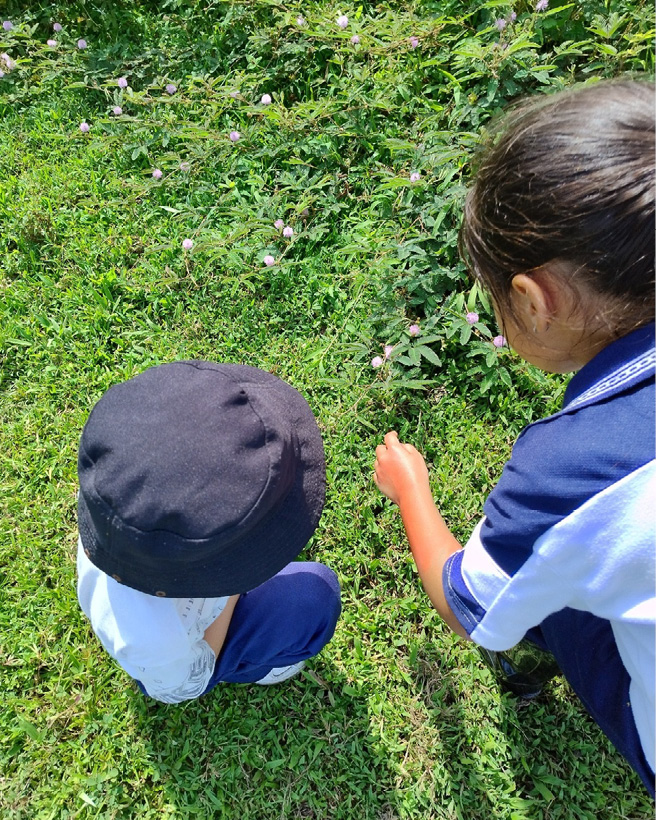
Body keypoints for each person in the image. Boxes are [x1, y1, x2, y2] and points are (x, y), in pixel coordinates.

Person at [373, 80, 655, 794]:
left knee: (543, 596)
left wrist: (411, 488)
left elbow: (470, 607)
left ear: (533, 299)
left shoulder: (573, 473)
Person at [77, 360, 341, 703]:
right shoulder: (150, 636)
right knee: (313, 599)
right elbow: (183, 684)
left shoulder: (115, 491)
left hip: (198, 592)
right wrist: (234, 584)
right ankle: (254, 665)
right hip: (194, 650)